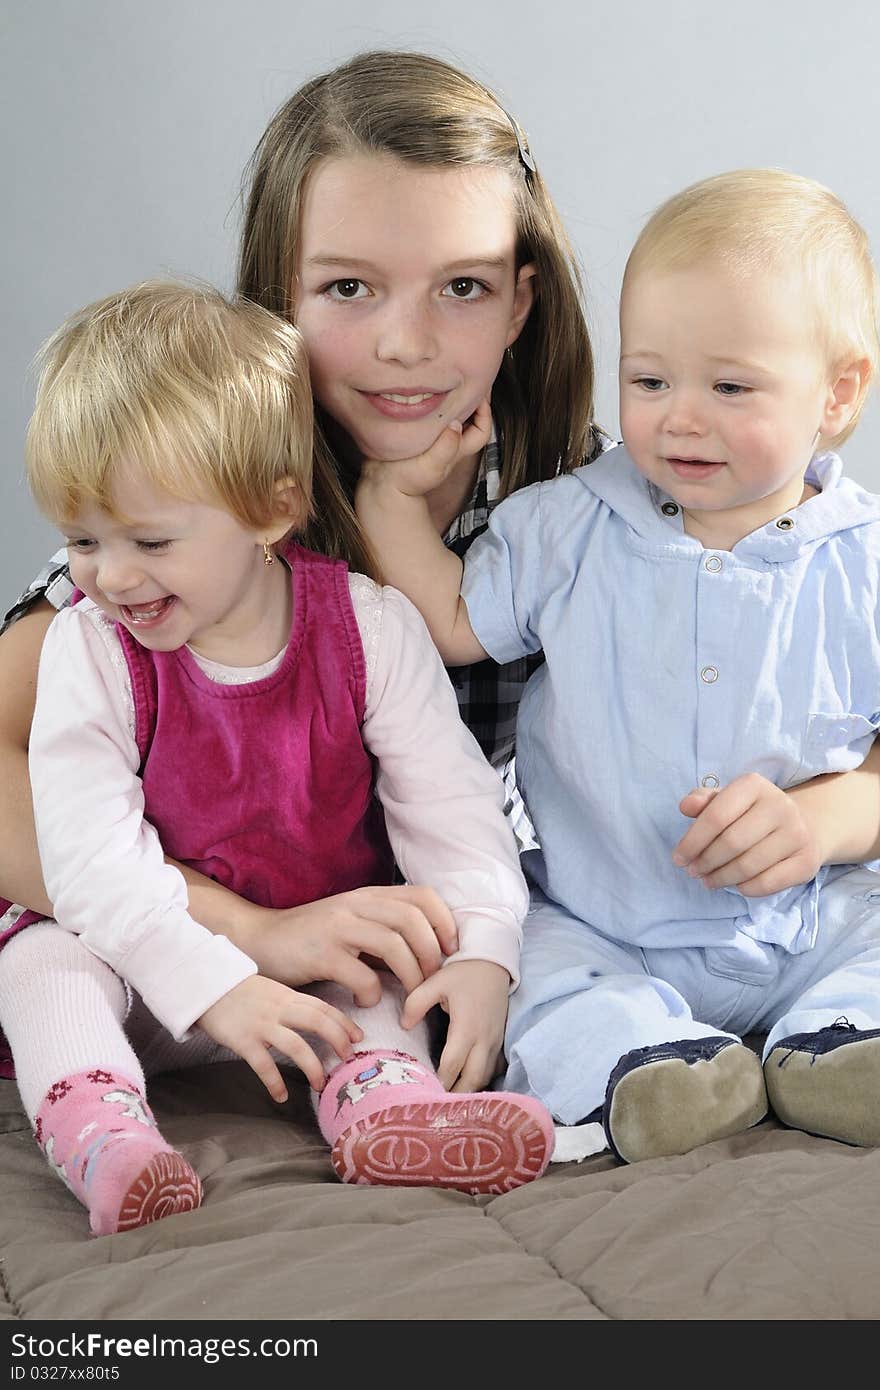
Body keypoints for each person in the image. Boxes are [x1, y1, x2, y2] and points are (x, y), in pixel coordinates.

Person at [0, 52, 875, 1136]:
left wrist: (827, 813)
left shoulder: (611, 504)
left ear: (519, 302)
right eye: (347, 287)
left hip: (414, 965)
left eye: (460, 286)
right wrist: (250, 929)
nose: (403, 342)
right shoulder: (199, 506)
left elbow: (821, 686)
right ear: (278, 295)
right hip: (189, 949)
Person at [0, 281, 553, 1236]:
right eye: (81, 541)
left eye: (152, 540)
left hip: (312, 953)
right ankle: (104, 1134)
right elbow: (90, 869)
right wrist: (217, 982)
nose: (110, 576)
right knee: (44, 958)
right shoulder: (89, 649)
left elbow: (454, 812)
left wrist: (486, 954)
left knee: (384, 954)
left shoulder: (368, 631)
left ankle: (388, 1109)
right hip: (137, 956)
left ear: (271, 508)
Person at [355, 167, 880, 1163]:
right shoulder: (569, 524)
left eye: (729, 387)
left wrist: (821, 820)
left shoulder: (863, 561)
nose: (680, 418)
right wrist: (392, 502)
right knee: (534, 968)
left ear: (837, 393)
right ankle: (649, 1060)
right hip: (607, 913)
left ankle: (843, 1040)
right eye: (649, 381)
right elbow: (457, 622)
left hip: (813, 914)